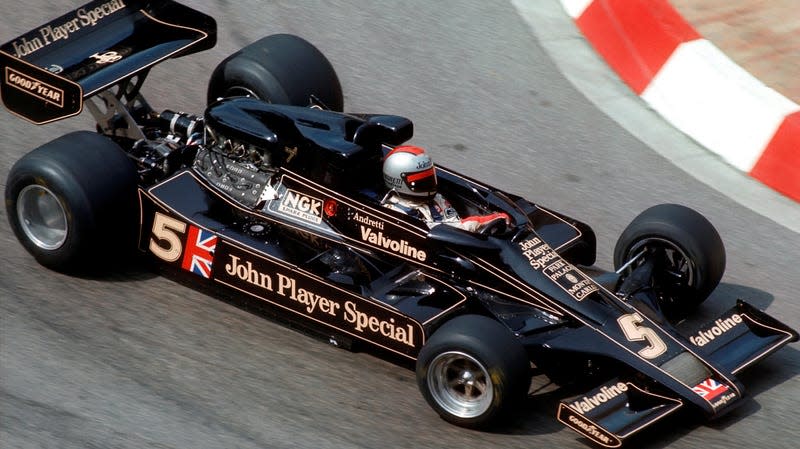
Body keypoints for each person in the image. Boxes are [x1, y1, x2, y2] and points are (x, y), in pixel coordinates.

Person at [381, 145, 510, 232]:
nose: (429, 185)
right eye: (421, 182)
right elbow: (440, 232)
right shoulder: (395, 213)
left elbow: (456, 225)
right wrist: (483, 221)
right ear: (398, 182)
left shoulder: (437, 199)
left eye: (429, 178)